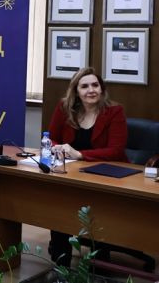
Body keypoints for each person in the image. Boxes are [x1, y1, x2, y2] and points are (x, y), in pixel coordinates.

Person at [47, 67, 127, 267]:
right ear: (76, 91)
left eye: (95, 85)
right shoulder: (64, 108)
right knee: (58, 205)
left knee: (100, 209)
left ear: (102, 88)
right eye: (84, 86)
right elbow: (52, 137)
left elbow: (116, 151)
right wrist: (57, 148)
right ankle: (61, 260)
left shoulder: (114, 111)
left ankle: (100, 263)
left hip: (106, 176)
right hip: (71, 174)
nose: (91, 90)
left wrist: (80, 155)